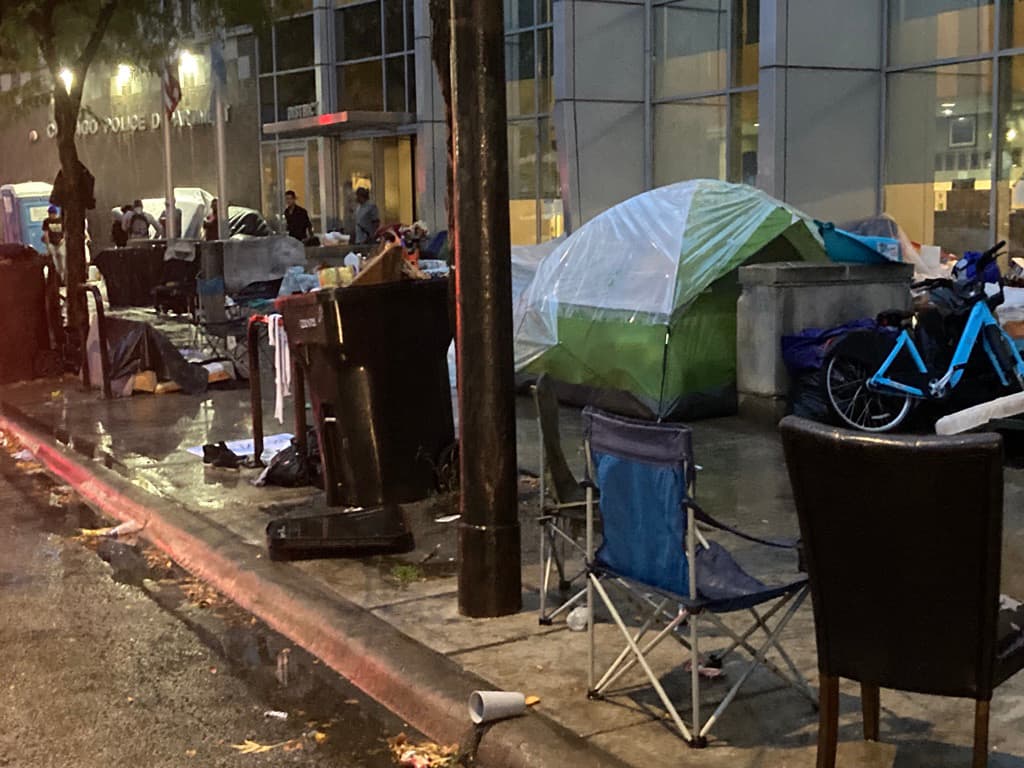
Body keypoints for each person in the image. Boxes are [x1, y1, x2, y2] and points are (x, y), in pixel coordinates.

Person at [41, 205, 65, 284]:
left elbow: (65, 232)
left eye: (52, 213)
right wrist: (48, 245)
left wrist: (63, 239)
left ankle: (63, 277)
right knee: (54, 261)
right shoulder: (46, 221)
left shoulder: (61, 220)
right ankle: (58, 278)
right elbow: (46, 233)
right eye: (50, 213)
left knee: (62, 259)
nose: (51, 215)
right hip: (52, 243)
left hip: (61, 242)